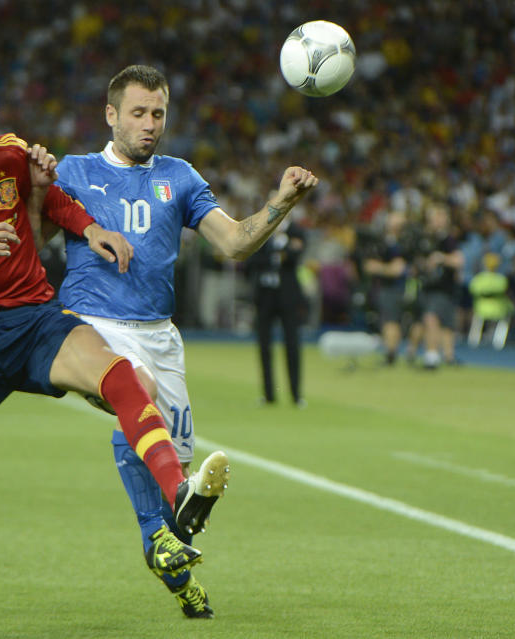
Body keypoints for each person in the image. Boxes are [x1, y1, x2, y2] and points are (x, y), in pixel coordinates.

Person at [0, 79, 230, 625]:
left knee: (126, 379)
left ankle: (179, 493)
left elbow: (54, 198)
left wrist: (92, 227)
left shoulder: (6, 153)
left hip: (34, 320)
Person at [49, 65, 318, 618]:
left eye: (158, 114)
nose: (150, 124)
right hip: (92, 325)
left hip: (159, 334)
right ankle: (159, 531)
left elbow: (236, 243)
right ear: (111, 115)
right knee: (135, 396)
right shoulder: (73, 173)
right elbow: (28, 235)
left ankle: (170, 561)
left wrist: (282, 200)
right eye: (138, 113)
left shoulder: (181, 176)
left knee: (175, 477)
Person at [248, 217, 307, 404]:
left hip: (287, 296)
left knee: (292, 344)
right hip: (265, 296)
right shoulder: (263, 229)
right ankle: (268, 394)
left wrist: (280, 247)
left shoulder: (296, 231)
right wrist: (278, 252)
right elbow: (252, 258)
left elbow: (295, 257)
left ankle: (296, 395)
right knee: (264, 346)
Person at [416, 203, 464, 369]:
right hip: (429, 286)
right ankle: (446, 356)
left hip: (443, 287)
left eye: (441, 217)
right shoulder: (425, 238)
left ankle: (433, 356)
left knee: (434, 319)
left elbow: (458, 260)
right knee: (439, 321)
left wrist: (441, 258)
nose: (437, 220)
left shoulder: (447, 239)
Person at [362, 211, 409, 366]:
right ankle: (391, 353)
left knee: (390, 320)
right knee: (388, 319)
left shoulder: (399, 244)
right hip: (387, 287)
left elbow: (398, 269)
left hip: (394, 287)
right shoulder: (385, 242)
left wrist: (379, 268)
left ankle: (390, 354)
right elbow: (369, 266)